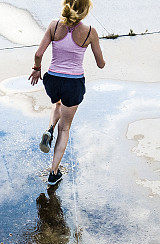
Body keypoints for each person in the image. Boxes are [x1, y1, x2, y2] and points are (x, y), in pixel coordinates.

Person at [29, 0, 105, 186]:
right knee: (65, 128)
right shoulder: (89, 32)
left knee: (57, 104)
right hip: (73, 84)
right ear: (85, 11)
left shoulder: (54, 26)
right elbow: (100, 63)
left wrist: (37, 68)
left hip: (53, 80)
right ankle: (54, 173)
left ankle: (48, 130)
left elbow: (39, 54)